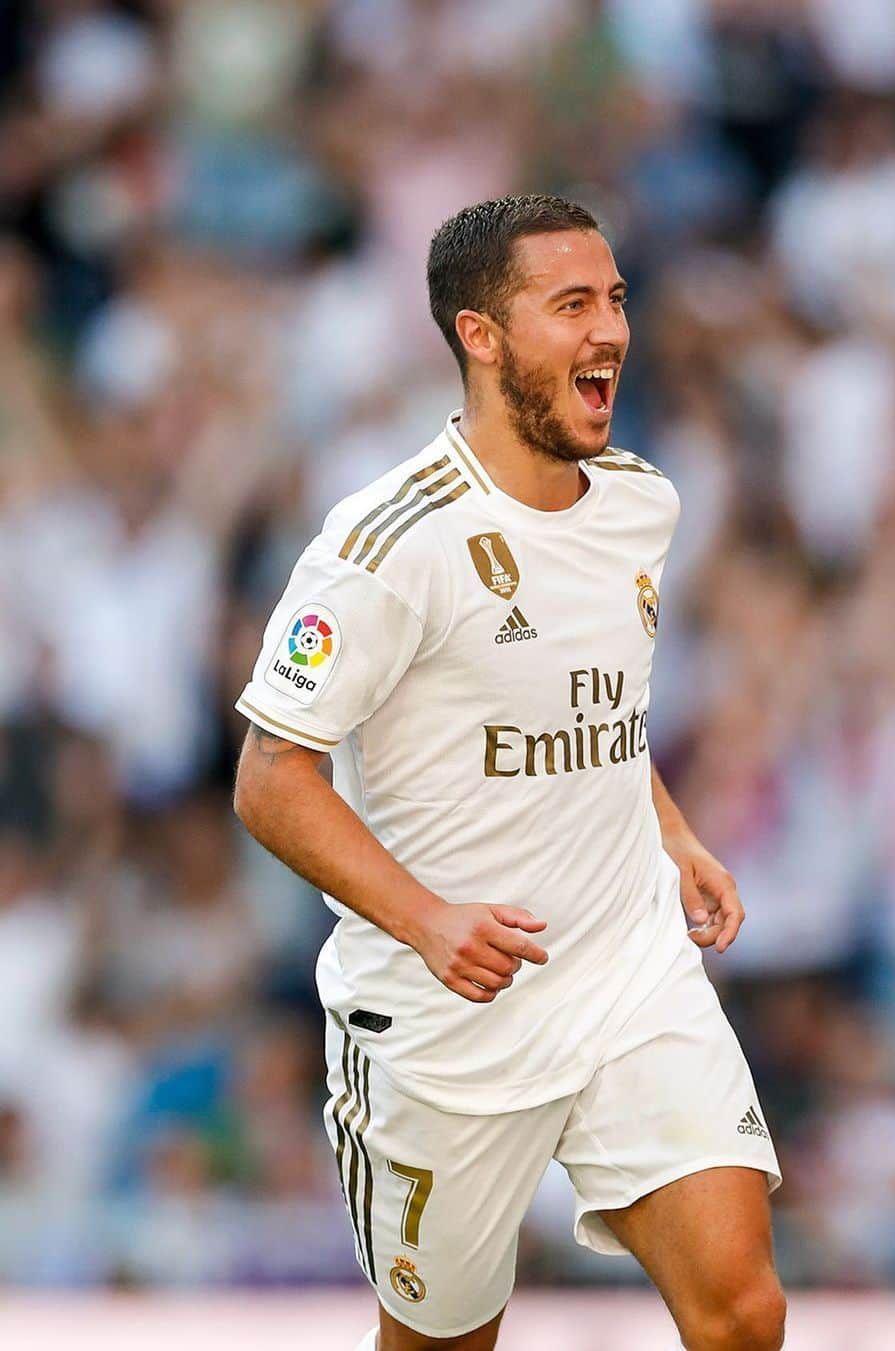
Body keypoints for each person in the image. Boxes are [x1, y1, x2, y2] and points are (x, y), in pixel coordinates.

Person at [233, 194, 784, 1351]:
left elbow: (602, 713)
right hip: (446, 1017)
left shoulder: (641, 501)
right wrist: (428, 919)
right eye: (572, 304)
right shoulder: (385, 546)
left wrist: (672, 833)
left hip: (626, 968)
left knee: (741, 1310)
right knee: (446, 1341)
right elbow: (272, 779)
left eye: (618, 300)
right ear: (481, 335)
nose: (613, 332)